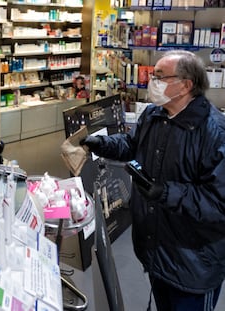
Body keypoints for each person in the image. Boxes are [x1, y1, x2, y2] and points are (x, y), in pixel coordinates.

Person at [80, 50, 225, 311]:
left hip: (194, 264)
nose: (151, 82)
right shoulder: (154, 115)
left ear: (186, 85)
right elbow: (132, 145)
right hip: (158, 253)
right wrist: (98, 144)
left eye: (159, 77)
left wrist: (164, 192)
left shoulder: (214, 132)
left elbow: (219, 204)